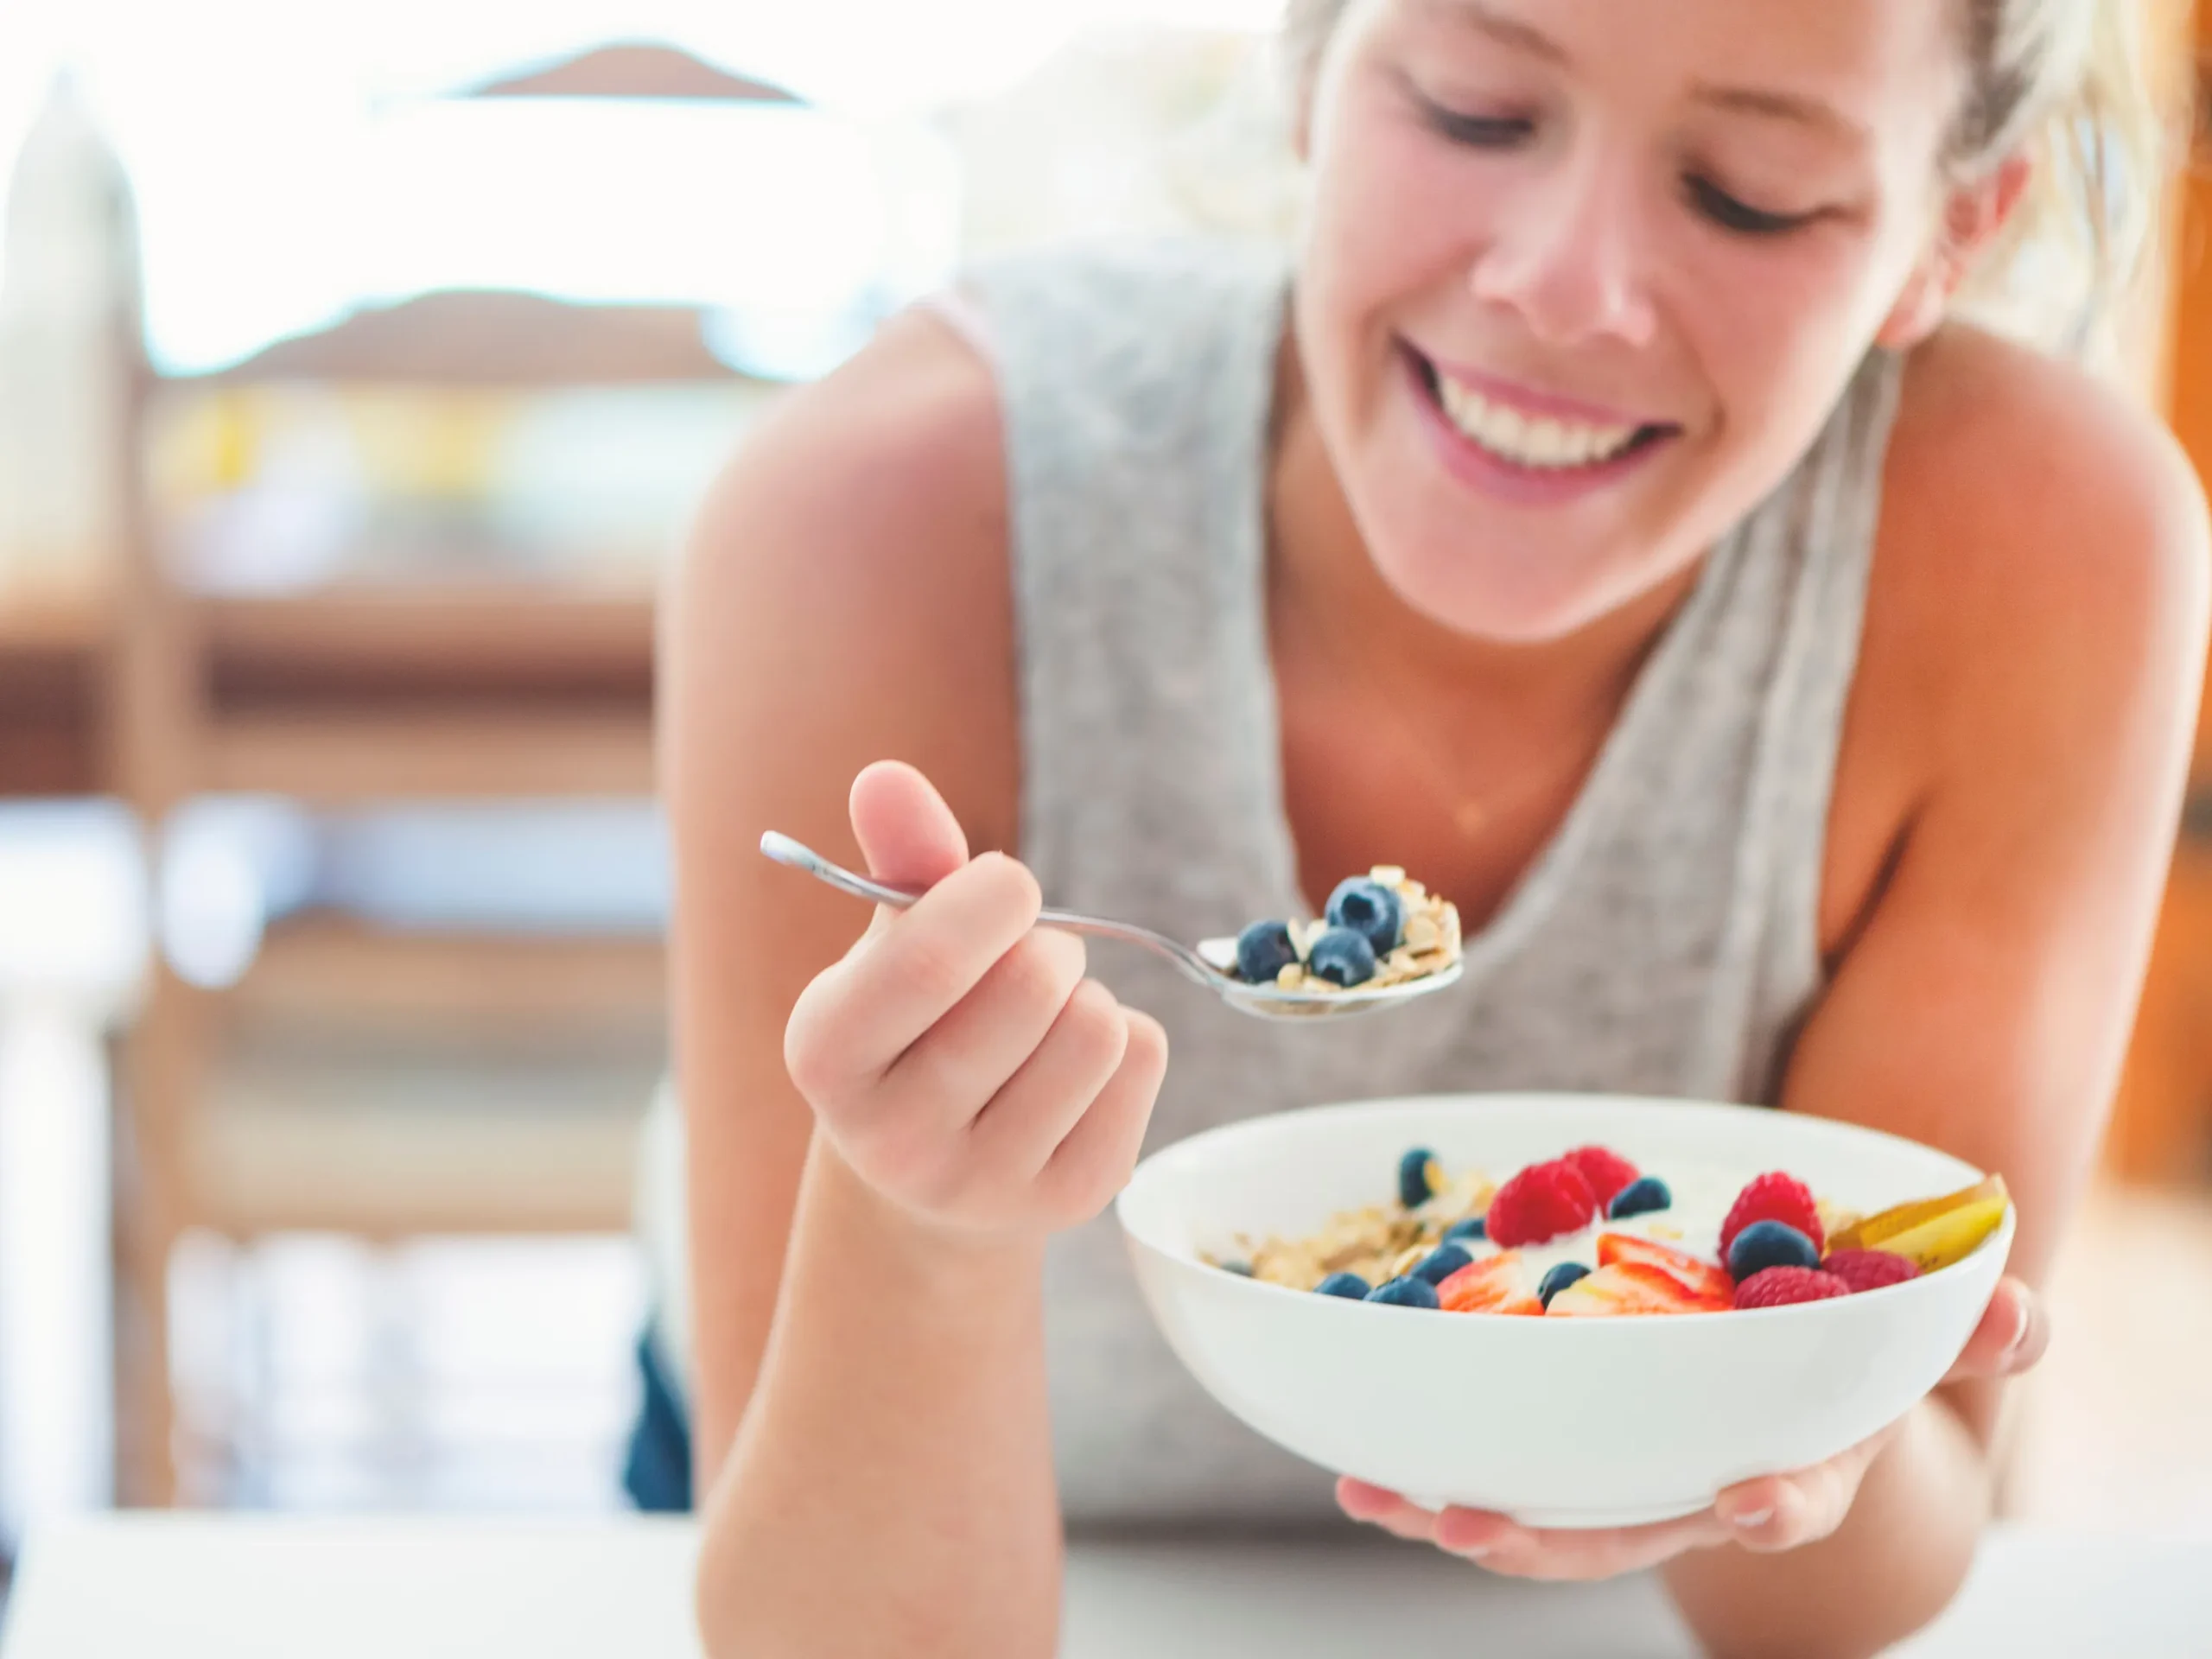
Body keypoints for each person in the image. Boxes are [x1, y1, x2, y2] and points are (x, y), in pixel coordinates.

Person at [652, 2, 2212, 1654]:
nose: (1564, 285)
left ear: (1949, 232)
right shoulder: (887, 513)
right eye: (1474, 112)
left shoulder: (2047, 556)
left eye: (1749, 192)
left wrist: (1793, 1403)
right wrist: (918, 1234)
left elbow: (1854, 1592)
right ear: (1309, 71)